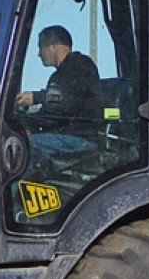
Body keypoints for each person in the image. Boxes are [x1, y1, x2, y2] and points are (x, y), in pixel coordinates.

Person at [14, 25, 100, 175]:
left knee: (27, 145)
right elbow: (51, 113)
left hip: (81, 138)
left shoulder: (79, 65)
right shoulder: (56, 77)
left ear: (53, 45)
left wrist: (36, 97)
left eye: (41, 47)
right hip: (63, 136)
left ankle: (14, 188)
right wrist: (26, 124)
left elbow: (68, 101)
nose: (39, 54)